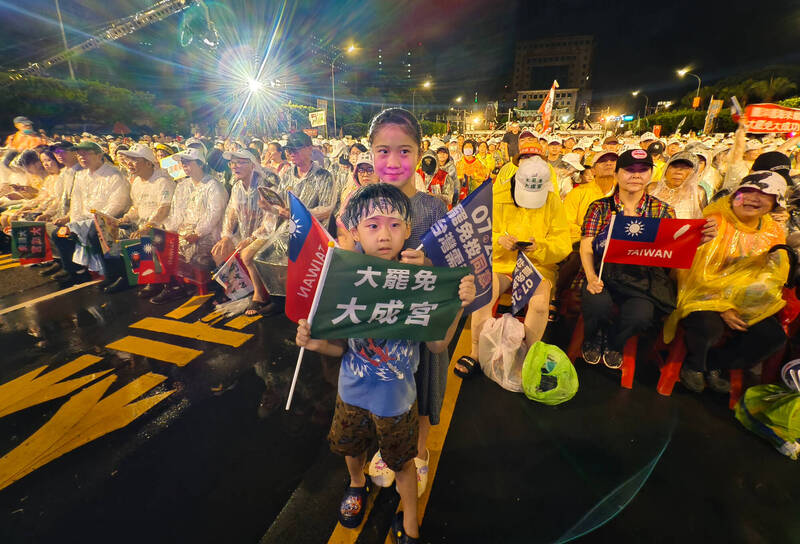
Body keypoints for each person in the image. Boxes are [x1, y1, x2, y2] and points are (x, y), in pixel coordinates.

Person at [295, 183, 476, 544]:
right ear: (355, 231)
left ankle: (410, 519)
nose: (383, 235)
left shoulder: (418, 284)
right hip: (351, 394)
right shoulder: (346, 282)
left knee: (403, 463)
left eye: (394, 225)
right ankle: (357, 482)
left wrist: (457, 306)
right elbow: (340, 349)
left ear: (408, 230)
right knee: (351, 449)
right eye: (372, 225)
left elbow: (438, 344)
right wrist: (313, 342)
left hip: (397, 402)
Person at [365, 108, 449, 504]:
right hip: (381, 320)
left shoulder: (435, 207)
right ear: (370, 152)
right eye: (383, 151)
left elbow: (452, 269)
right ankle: (389, 447)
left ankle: (419, 451)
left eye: (404, 151)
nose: (393, 162)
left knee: (421, 389)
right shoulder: (361, 204)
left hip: (420, 319)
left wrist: (428, 264)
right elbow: (349, 257)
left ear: (420, 152)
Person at [578, 149, 717, 369]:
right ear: (617, 174)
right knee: (596, 305)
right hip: (603, 273)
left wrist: (696, 241)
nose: (636, 175)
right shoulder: (600, 207)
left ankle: (615, 342)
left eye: (642, 170)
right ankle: (593, 337)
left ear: (651, 174)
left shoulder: (663, 210)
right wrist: (591, 276)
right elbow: (586, 244)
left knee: (640, 316)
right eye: (629, 170)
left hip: (642, 280)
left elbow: (670, 249)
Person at [664, 172, 789, 393]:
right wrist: (722, 306)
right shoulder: (714, 223)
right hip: (701, 294)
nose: (753, 198)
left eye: (763, 194)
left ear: (774, 203)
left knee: (772, 337)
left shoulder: (773, 232)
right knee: (709, 327)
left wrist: (744, 304)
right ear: (734, 196)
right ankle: (694, 364)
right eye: (746, 191)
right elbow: (695, 275)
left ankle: (715, 363)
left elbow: (771, 275)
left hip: (746, 299)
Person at [457, 143, 571, 376]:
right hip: (501, 263)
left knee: (540, 305)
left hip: (536, 266)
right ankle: (476, 351)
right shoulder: (496, 195)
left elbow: (563, 243)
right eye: (525, 158)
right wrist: (499, 240)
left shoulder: (552, 200)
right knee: (484, 294)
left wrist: (540, 248)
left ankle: (528, 356)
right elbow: (477, 233)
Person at [154, 147, 228, 304]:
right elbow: (177, 212)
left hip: (207, 234)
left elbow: (214, 214)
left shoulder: (213, 185)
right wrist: (170, 230)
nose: (184, 165)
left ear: (200, 164)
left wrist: (198, 233)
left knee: (187, 250)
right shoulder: (183, 186)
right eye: (183, 162)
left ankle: (183, 285)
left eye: (188, 162)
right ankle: (173, 285)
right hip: (185, 231)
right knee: (159, 243)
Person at [49, 141, 130, 286]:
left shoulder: (113, 174)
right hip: (84, 220)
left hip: (109, 218)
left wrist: (96, 220)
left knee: (96, 232)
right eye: (79, 154)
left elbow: (118, 203)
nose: (82, 157)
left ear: (99, 155)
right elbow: (76, 203)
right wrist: (74, 223)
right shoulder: (81, 176)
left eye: (86, 154)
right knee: (60, 233)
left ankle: (115, 274)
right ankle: (77, 271)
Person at [107, 143, 177, 294]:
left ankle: (155, 281)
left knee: (146, 237)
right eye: (128, 159)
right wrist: (126, 217)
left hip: (163, 226)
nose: (129, 163)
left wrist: (148, 226)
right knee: (112, 234)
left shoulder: (163, 181)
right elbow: (137, 207)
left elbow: (164, 209)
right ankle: (128, 275)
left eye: (134, 160)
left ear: (148, 163)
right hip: (144, 224)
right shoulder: (137, 182)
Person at [647, 151, 706, 219]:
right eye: (675, 167)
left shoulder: (698, 193)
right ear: (666, 169)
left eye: (685, 168)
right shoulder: (651, 189)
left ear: (693, 172)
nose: (678, 172)